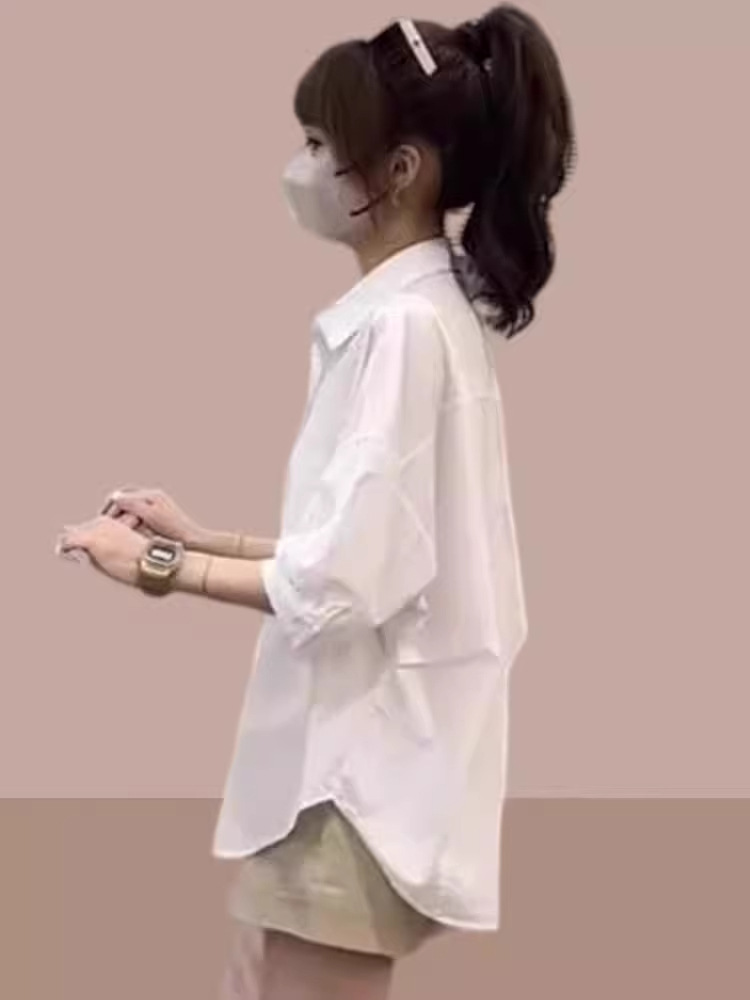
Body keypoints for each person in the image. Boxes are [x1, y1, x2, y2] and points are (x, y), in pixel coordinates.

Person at [56, 6, 575, 998]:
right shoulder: (415, 319)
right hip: (345, 772)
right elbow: (372, 548)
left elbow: (344, 582)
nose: (300, 168)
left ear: (399, 171)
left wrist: (160, 567)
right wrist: (205, 535)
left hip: (355, 779)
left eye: (317, 144)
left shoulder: (403, 334)